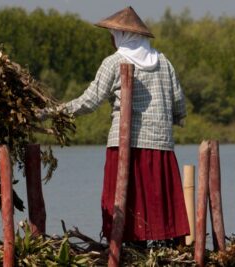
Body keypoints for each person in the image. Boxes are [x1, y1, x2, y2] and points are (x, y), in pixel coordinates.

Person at [53, 6, 190, 243]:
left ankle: (128, 245)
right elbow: (178, 103)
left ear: (122, 36)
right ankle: (165, 244)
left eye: (113, 34)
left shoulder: (114, 62)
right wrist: (173, 119)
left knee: (127, 200)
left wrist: (54, 112)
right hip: (161, 143)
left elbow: (90, 100)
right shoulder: (163, 61)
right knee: (157, 199)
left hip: (125, 145)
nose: (111, 38)